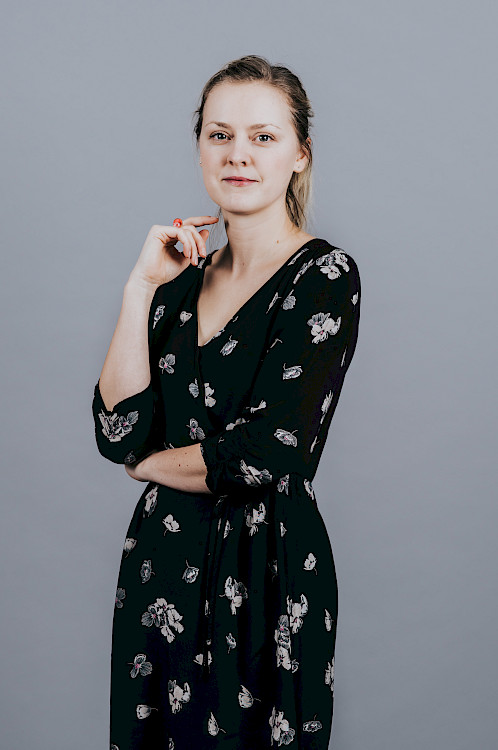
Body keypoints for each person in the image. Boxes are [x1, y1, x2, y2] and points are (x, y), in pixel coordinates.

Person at [92, 54, 361, 750]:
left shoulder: (323, 276)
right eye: (220, 135)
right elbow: (118, 430)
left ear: (300, 155)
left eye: (263, 137)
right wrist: (139, 289)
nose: (238, 154)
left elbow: (267, 451)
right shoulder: (178, 281)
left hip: (268, 571)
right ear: (200, 148)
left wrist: (150, 466)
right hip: (160, 568)